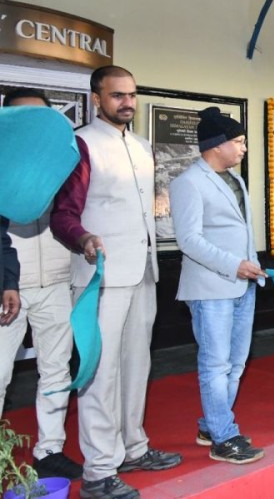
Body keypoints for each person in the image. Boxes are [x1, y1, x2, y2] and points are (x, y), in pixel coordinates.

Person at [51, 66, 181, 499]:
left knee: (137, 366)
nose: (127, 103)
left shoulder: (142, 147)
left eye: (131, 95)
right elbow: (63, 213)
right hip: (101, 275)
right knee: (100, 372)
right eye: (117, 95)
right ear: (96, 99)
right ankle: (99, 472)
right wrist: (82, 238)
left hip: (143, 270)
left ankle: (133, 448)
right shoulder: (82, 144)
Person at [169, 107, 266, 465]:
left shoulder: (235, 180)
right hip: (210, 289)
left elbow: (241, 231)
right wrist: (233, 265)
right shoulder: (188, 183)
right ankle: (223, 438)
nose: (243, 148)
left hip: (244, 284)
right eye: (238, 142)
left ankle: (211, 426)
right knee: (215, 365)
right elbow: (189, 240)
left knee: (236, 364)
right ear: (216, 145)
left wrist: (252, 267)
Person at [0, 89, 82, 480]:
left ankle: (49, 450)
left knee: (56, 372)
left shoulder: (62, 163)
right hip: (7, 287)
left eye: (41, 117)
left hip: (57, 282)